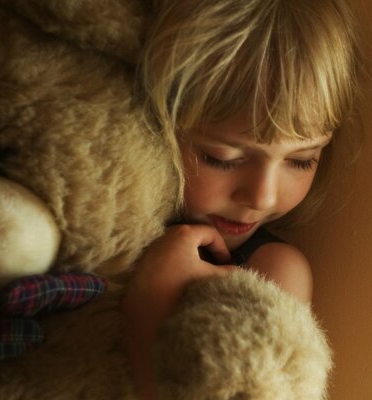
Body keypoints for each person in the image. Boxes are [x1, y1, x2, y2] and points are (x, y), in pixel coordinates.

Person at [122, 0, 359, 398]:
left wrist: (149, 310)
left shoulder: (272, 271)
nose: (261, 197)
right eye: (222, 158)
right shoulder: (106, 221)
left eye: (301, 161)